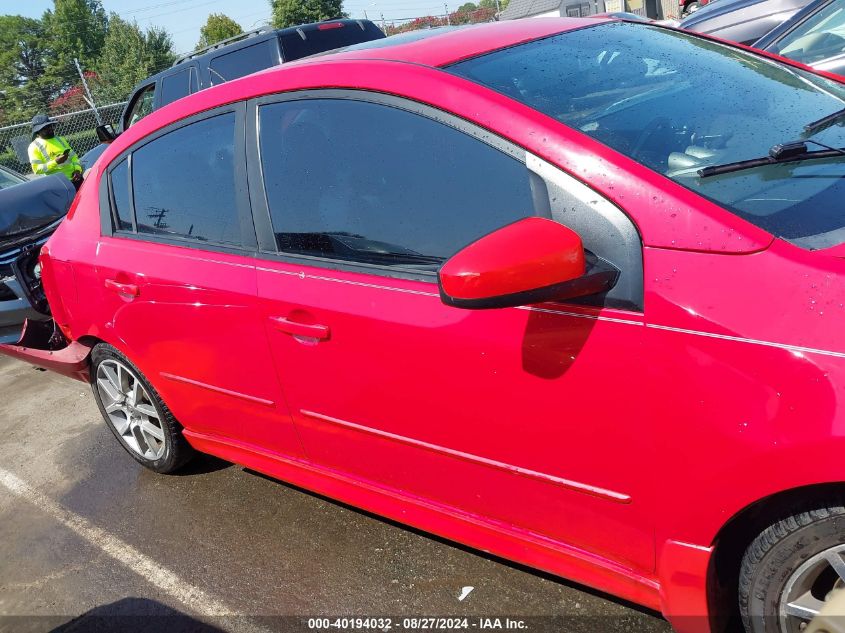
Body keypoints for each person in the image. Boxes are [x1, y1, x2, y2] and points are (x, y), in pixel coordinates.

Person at [28, 114, 84, 189]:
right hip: (59, 185)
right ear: (38, 131)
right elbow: (37, 169)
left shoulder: (60, 139)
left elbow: (74, 157)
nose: (50, 129)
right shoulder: (34, 146)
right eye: (45, 128)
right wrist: (55, 162)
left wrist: (77, 170)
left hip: (76, 178)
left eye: (50, 126)